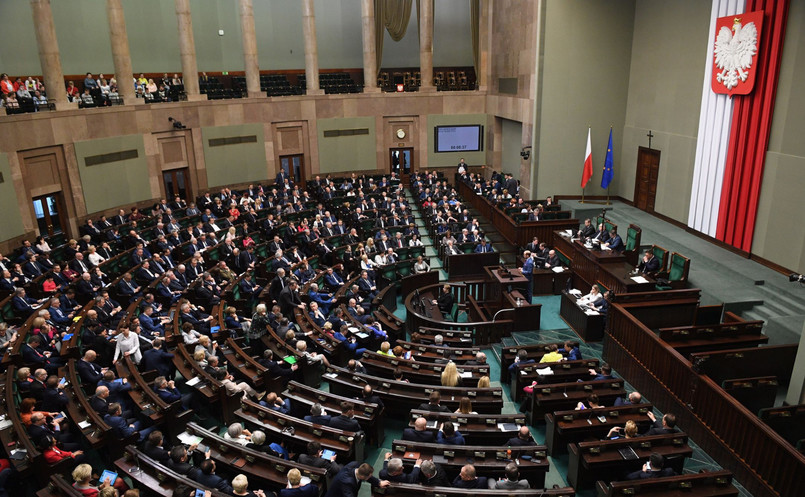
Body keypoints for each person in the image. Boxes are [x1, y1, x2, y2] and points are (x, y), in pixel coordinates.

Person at [323, 462, 389, 497]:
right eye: (369, 476)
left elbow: (367, 474)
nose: (370, 477)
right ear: (362, 477)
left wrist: (378, 482)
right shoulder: (347, 483)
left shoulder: (356, 465)